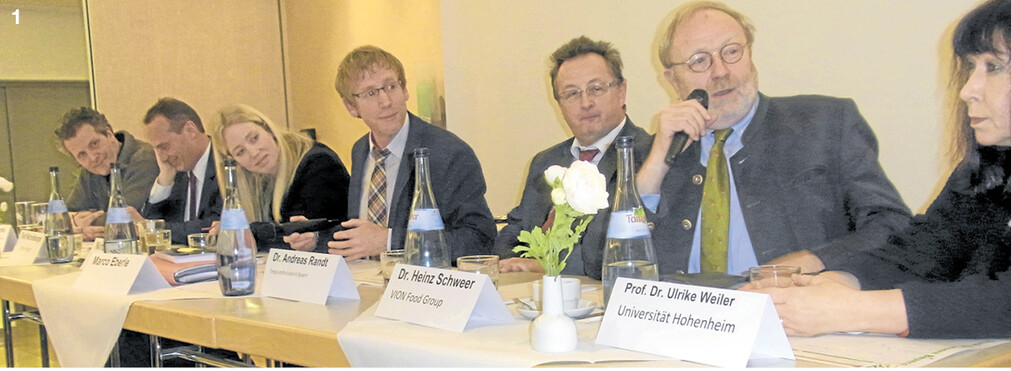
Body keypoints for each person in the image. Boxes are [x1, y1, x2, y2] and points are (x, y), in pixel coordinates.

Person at [750, 0, 1011, 339]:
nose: (967, 91)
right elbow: (922, 250)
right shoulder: (991, 166)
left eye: (993, 67)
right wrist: (833, 283)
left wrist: (851, 310)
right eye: (970, 67)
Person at [636, 1, 910, 276]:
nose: (720, 71)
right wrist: (657, 165)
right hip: (683, 303)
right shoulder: (651, 154)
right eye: (699, 61)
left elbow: (892, 224)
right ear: (673, 80)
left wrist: (819, 259)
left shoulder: (826, 123)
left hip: (799, 300)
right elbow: (614, 257)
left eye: (731, 52)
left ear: (750, 55)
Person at [495, 36, 652, 279]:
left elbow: (630, 249)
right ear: (559, 104)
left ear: (621, 92)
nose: (585, 103)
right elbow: (515, 230)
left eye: (596, 89)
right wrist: (513, 262)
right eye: (572, 94)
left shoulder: (648, 158)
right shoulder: (545, 162)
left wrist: (548, 265)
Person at [320, 45, 495, 261]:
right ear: (351, 107)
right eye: (370, 93)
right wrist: (317, 237)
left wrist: (389, 241)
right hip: (365, 278)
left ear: (405, 91)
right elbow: (362, 237)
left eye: (391, 86)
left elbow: (478, 240)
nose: (386, 102)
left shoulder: (448, 153)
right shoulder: (360, 150)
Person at [210, 104, 350, 252]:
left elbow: (294, 233)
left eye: (254, 138)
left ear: (268, 130)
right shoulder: (258, 180)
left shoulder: (318, 164)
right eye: (240, 152)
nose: (253, 152)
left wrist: (240, 231)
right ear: (234, 161)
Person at [54, 107, 159, 241]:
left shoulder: (144, 158)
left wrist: (78, 224)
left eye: (94, 144)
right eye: (81, 155)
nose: (92, 157)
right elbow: (62, 217)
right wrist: (76, 223)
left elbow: (122, 218)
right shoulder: (90, 170)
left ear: (109, 133)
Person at [133, 97, 223, 244]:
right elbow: (151, 229)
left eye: (165, 146)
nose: (162, 157)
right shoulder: (177, 172)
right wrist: (165, 179)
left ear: (190, 130)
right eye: (157, 149)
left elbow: (215, 225)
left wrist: (152, 229)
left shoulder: (225, 164)